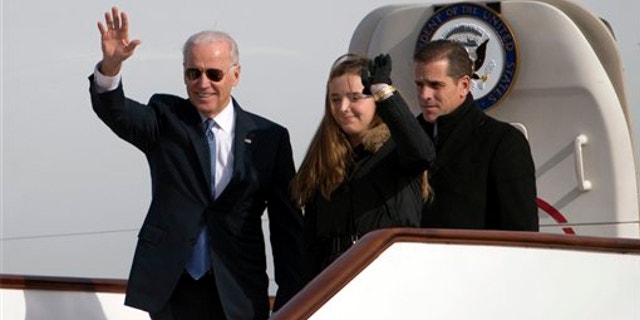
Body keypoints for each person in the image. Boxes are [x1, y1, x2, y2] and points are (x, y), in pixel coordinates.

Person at [89, 7, 303, 320]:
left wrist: (293, 298)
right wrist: (110, 67)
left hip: (238, 288)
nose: (203, 83)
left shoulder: (269, 138)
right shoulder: (166, 117)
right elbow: (116, 111)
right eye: (193, 73)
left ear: (235, 75)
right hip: (172, 287)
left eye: (214, 74)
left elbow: (287, 228)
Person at [291, 53, 435, 281]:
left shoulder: (397, 149)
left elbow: (422, 153)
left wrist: (384, 91)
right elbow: (309, 244)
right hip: (333, 280)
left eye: (355, 97)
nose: (343, 107)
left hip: (390, 275)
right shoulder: (323, 159)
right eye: (335, 99)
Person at [414, 39, 539, 231]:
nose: (425, 95)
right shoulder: (405, 137)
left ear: (464, 85)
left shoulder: (502, 142)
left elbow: (521, 232)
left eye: (435, 85)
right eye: (420, 85)